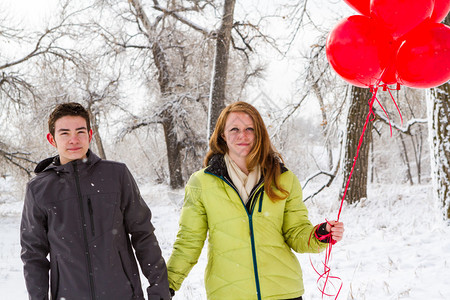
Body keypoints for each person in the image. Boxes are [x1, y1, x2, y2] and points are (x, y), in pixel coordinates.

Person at [167, 101, 344, 300]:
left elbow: (296, 233)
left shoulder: (282, 179)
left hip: (282, 291)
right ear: (222, 135)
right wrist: (167, 285)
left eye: (249, 129)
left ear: (259, 133)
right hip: (229, 293)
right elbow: (189, 242)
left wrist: (320, 234)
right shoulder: (202, 183)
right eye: (234, 129)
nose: (242, 135)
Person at [20, 102, 171, 300]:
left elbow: (143, 234)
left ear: (90, 135)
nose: (74, 139)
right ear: (52, 139)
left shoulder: (116, 175)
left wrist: (159, 291)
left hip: (124, 295)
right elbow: (33, 254)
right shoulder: (38, 189)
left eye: (80, 131)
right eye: (64, 133)